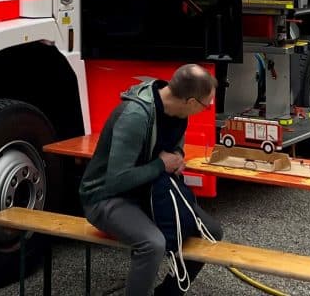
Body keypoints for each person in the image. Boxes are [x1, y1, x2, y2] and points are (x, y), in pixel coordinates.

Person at [80, 64, 224, 296]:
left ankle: (168, 293)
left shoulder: (178, 112)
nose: (206, 109)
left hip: (147, 190)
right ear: (191, 102)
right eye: (207, 105)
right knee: (152, 244)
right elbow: (116, 180)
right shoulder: (135, 116)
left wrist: (178, 159)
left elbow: (173, 150)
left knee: (211, 232)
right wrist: (161, 165)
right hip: (105, 197)